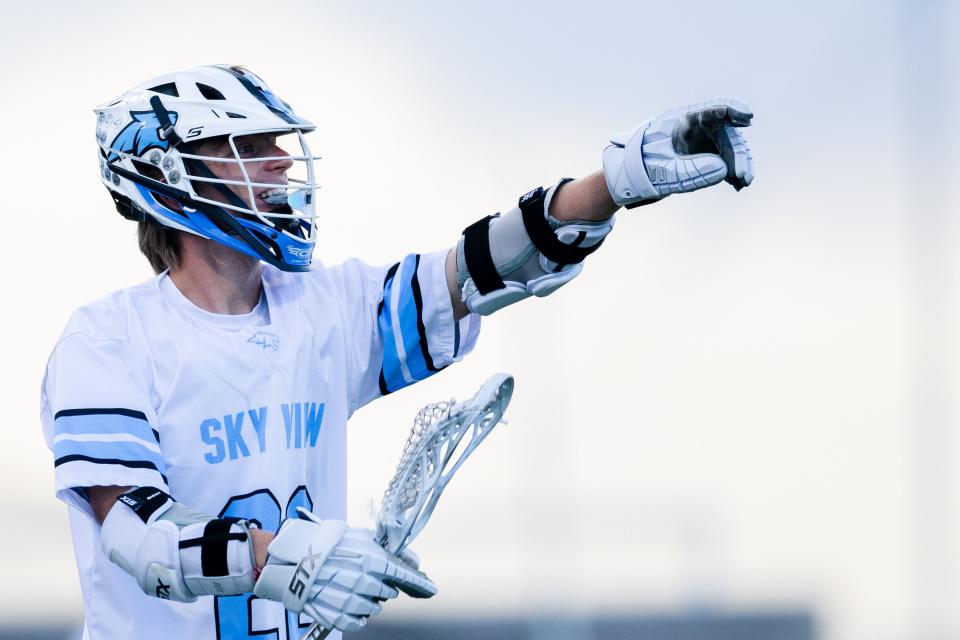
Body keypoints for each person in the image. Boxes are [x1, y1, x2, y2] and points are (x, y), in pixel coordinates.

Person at [41, 64, 754, 640]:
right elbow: (136, 535)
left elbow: (479, 268)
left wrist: (612, 186)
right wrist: (289, 556)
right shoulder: (109, 343)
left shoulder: (321, 309)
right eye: (253, 148)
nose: (283, 166)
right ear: (172, 174)